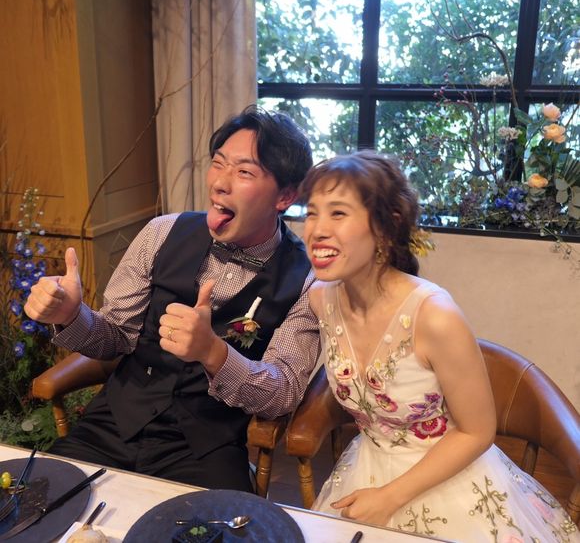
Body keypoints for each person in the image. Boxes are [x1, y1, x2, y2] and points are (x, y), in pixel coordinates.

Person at [24, 105, 320, 492]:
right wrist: (70, 314)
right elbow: (115, 338)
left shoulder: (307, 280)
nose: (220, 183)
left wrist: (214, 353)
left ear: (285, 195)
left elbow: (283, 393)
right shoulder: (161, 233)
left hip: (205, 447)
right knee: (39, 504)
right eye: (218, 163)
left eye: (244, 172)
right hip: (111, 426)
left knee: (229, 524)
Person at [300, 151, 579, 541]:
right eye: (312, 213)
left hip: (446, 478)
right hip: (366, 467)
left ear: (386, 227)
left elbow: (477, 432)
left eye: (338, 213)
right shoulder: (321, 298)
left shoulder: (434, 315)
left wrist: (389, 497)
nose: (317, 229)